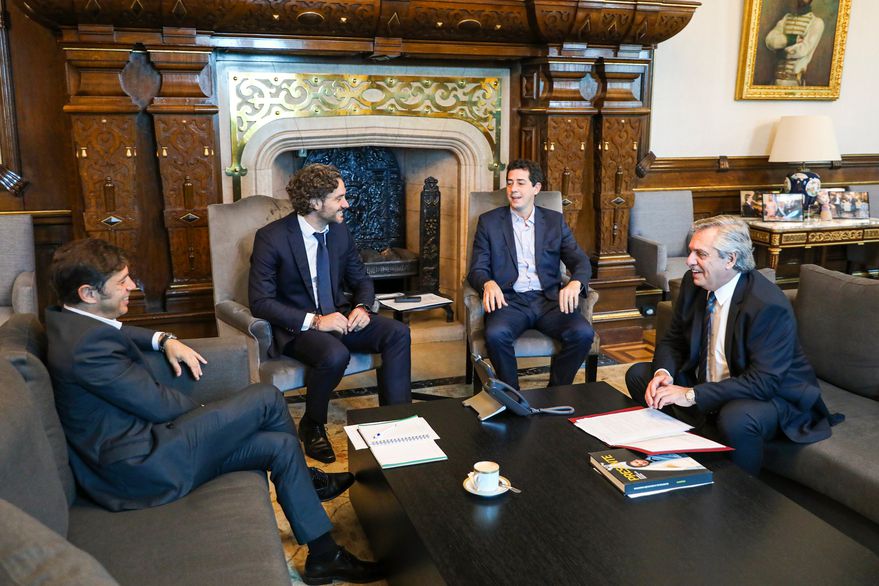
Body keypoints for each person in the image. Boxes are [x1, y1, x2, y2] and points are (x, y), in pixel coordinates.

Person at [45, 238, 383, 584]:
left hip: (148, 448)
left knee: (280, 446)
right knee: (266, 398)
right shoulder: (85, 349)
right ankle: (310, 483)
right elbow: (158, 405)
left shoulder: (69, 321)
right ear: (88, 293)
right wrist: (217, 417)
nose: (133, 286)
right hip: (141, 467)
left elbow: (116, 331)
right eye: (121, 282)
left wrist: (163, 339)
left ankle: (324, 557)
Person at [625, 216, 842, 475]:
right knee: (640, 375)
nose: (689, 261)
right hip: (712, 384)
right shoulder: (693, 284)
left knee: (736, 417)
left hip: (772, 396)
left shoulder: (767, 304)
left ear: (730, 259)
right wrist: (664, 374)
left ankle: (742, 492)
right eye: (691, 251)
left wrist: (691, 395)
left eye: (700, 254)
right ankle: (680, 454)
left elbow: (763, 382)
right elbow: (673, 340)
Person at [249, 163, 412, 464]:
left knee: (397, 333)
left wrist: (362, 307)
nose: (346, 204)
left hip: (340, 316)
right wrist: (316, 321)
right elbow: (260, 302)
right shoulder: (272, 238)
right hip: (299, 327)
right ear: (315, 202)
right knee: (335, 354)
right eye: (339, 198)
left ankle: (396, 422)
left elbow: (361, 280)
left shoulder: (339, 232)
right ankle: (312, 424)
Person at [467, 159, 594, 390]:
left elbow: (580, 261)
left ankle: (555, 392)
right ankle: (512, 397)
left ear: (536, 188)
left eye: (520, 183)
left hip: (549, 301)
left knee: (583, 333)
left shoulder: (554, 221)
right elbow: (477, 269)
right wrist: (487, 283)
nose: (513, 189)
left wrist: (576, 282)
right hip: (509, 301)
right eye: (509, 183)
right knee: (495, 334)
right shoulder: (489, 222)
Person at [765, 0, 825, 87]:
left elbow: (803, 49)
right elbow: (770, 41)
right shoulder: (786, 18)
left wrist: (783, 52)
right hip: (775, 81)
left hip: (794, 83)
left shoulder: (816, 22)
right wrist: (792, 39)